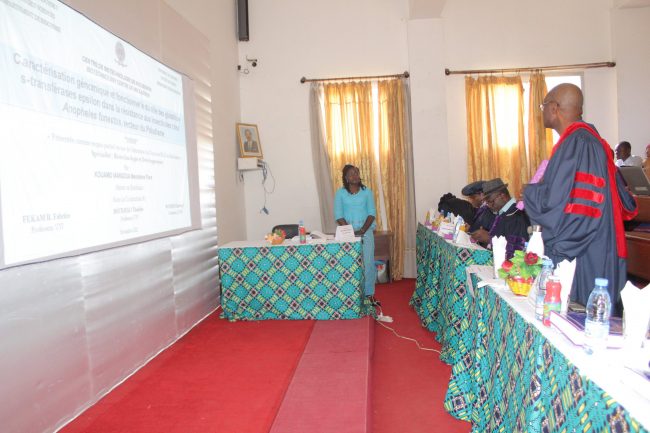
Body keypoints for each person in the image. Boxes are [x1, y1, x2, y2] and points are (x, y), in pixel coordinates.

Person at [524, 83, 637, 314]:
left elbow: (575, 204)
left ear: (554, 108)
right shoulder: (581, 140)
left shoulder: (579, 143)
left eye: (543, 106)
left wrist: (529, 193)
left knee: (582, 320)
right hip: (589, 241)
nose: (542, 111)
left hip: (584, 248)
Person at [334, 164, 378, 303]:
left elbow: (371, 213)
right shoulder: (340, 193)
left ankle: (369, 293)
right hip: (347, 234)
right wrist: (350, 232)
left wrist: (362, 230)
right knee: (350, 264)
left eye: (356, 173)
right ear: (346, 178)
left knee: (368, 263)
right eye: (351, 174)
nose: (355, 175)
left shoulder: (367, 192)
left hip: (366, 231)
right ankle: (352, 294)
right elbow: (338, 215)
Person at [470, 178, 530, 256]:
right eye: (487, 202)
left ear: (502, 195)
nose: (489, 205)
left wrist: (490, 239)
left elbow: (518, 250)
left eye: (491, 201)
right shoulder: (502, 213)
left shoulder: (516, 214)